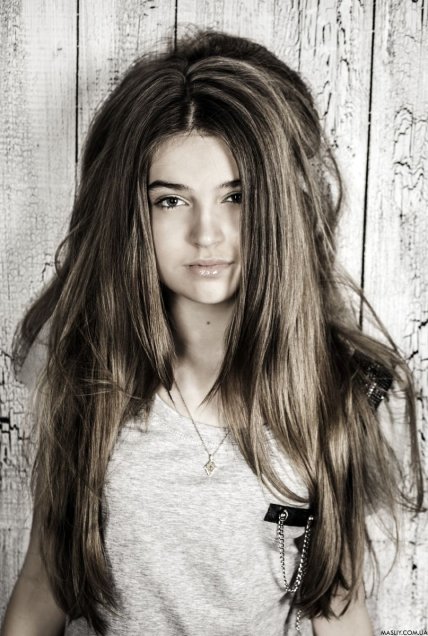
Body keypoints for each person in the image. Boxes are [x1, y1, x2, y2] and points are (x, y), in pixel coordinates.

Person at [1, 29, 424, 636]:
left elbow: (336, 605)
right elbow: (42, 588)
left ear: (276, 205)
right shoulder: (87, 378)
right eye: (171, 201)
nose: (207, 233)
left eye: (236, 196)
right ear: (134, 213)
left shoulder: (336, 392)